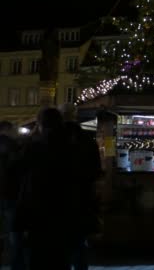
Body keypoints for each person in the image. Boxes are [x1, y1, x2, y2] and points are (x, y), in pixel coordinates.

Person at [16, 108, 77, 269]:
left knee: (38, 254)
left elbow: (18, 171)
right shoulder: (70, 145)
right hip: (64, 207)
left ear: (41, 124)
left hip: (38, 207)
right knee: (61, 255)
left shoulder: (34, 146)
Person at [60, 104, 103, 270]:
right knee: (79, 242)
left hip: (57, 197)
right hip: (82, 195)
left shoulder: (53, 137)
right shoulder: (86, 139)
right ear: (75, 116)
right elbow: (96, 170)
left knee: (60, 243)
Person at [0, 121, 26, 270]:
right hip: (11, 193)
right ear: (8, 130)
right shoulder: (16, 146)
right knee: (15, 233)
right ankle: (17, 265)